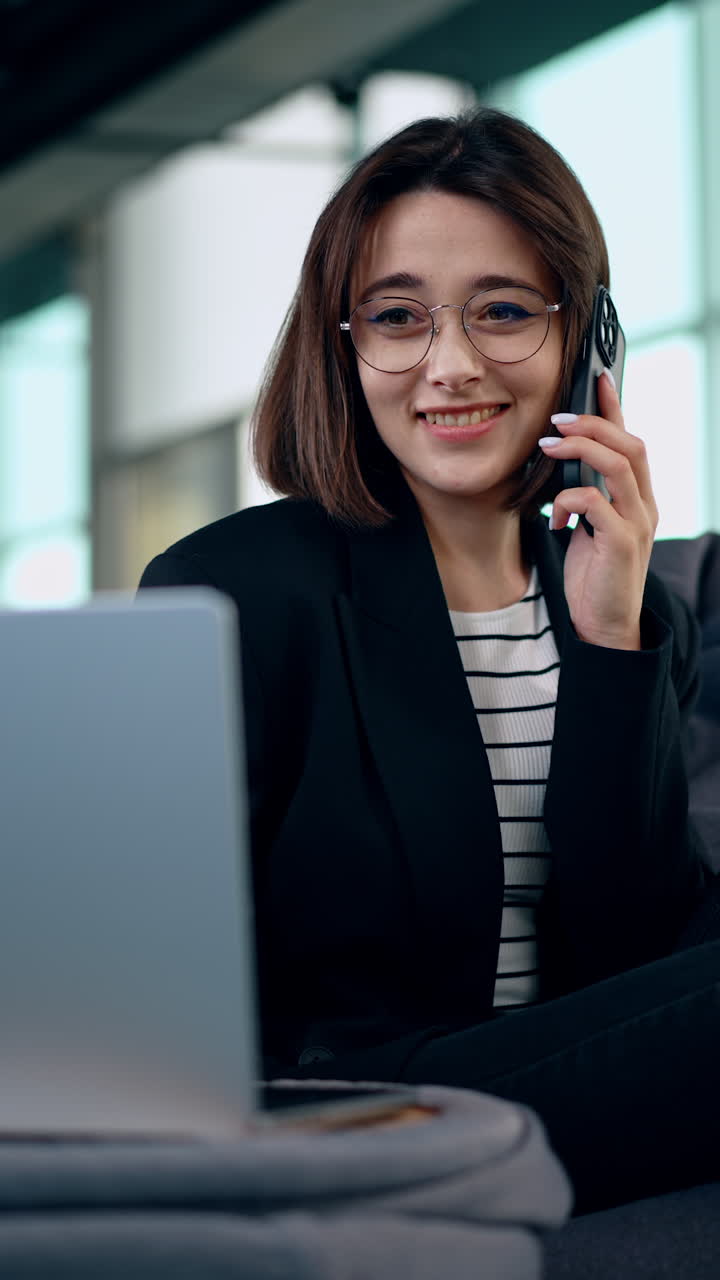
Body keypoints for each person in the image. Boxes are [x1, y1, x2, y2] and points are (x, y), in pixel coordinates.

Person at [140, 108, 720, 1214]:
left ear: (587, 339)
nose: (449, 366)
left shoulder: (623, 603)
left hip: (549, 1091)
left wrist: (610, 643)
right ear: (344, 342)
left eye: (503, 312)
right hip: (341, 1106)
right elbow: (157, 969)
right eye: (397, 317)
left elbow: (640, 950)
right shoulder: (239, 589)